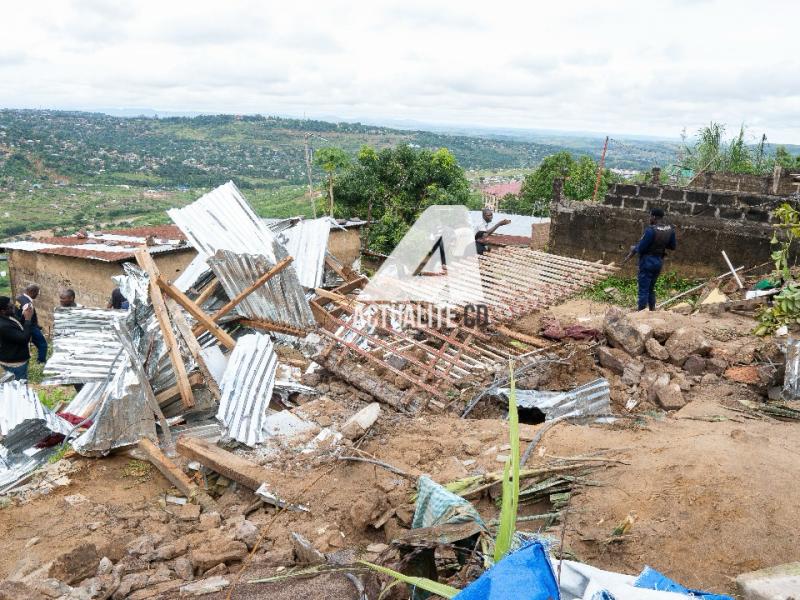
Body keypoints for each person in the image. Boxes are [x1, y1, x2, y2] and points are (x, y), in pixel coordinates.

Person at [625, 208, 677, 311]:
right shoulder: (670, 230)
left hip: (647, 261)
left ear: (653, 217)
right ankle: (652, 310)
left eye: (650, 216)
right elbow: (672, 246)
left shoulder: (650, 230)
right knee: (651, 288)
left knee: (643, 289)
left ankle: (641, 312)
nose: (649, 219)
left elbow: (641, 248)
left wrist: (633, 248)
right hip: (658, 261)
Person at [0, 296, 34, 380]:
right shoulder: (3, 325)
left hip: (16, 357)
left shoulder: (8, 316)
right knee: (19, 387)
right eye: (10, 306)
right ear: (2, 311)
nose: (13, 306)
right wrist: (28, 319)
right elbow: (24, 339)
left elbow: (18, 324)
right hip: (14, 363)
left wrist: (24, 315)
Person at [15, 284, 47, 364]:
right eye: (37, 293)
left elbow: (17, 313)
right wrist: (32, 326)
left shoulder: (19, 298)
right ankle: (41, 362)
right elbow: (27, 317)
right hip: (30, 327)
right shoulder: (27, 305)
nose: (37, 295)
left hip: (21, 325)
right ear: (32, 292)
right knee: (43, 344)